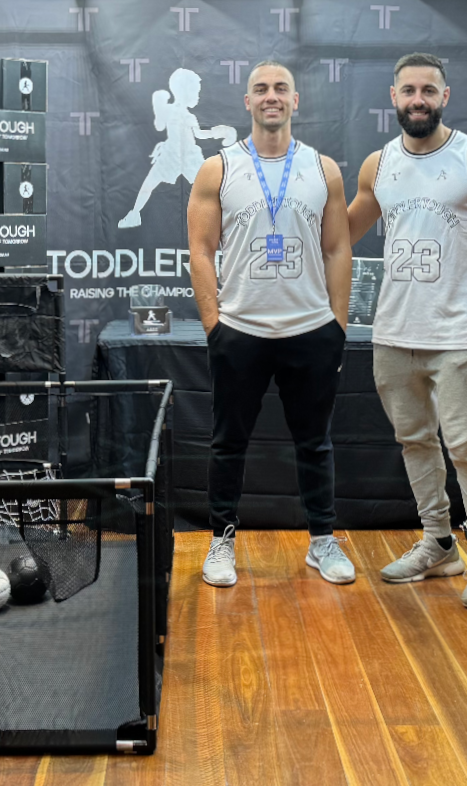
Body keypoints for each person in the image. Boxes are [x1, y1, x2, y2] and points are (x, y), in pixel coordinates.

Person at [347, 52, 467, 610]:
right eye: (408, 90)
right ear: (394, 97)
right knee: (415, 442)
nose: (418, 99)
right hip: (394, 331)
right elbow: (342, 232)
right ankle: (440, 544)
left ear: (445, 96)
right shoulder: (378, 165)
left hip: (458, 335)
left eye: (428, 90)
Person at [187, 61, 354, 587]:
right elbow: (200, 250)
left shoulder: (323, 169)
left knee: (316, 443)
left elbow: (338, 248)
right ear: (247, 102)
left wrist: (338, 324)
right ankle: (221, 541)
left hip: (311, 328)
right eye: (260, 89)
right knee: (228, 443)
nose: (271, 96)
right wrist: (215, 324)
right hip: (241, 330)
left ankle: (322, 541)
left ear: (295, 100)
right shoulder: (218, 168)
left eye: (281, 88)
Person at [119, 68, 236, 228]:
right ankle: (134, 214)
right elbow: (159, 126)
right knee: (149, 183)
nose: (198, 96)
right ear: (184, 92)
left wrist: (218, 132)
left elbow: (199, 135)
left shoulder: (190, 117)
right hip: (170, 155)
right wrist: (158, 105)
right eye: (195, 92)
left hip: (190, 157)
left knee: (208, 187)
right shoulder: (169, 110)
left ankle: (225, 218)